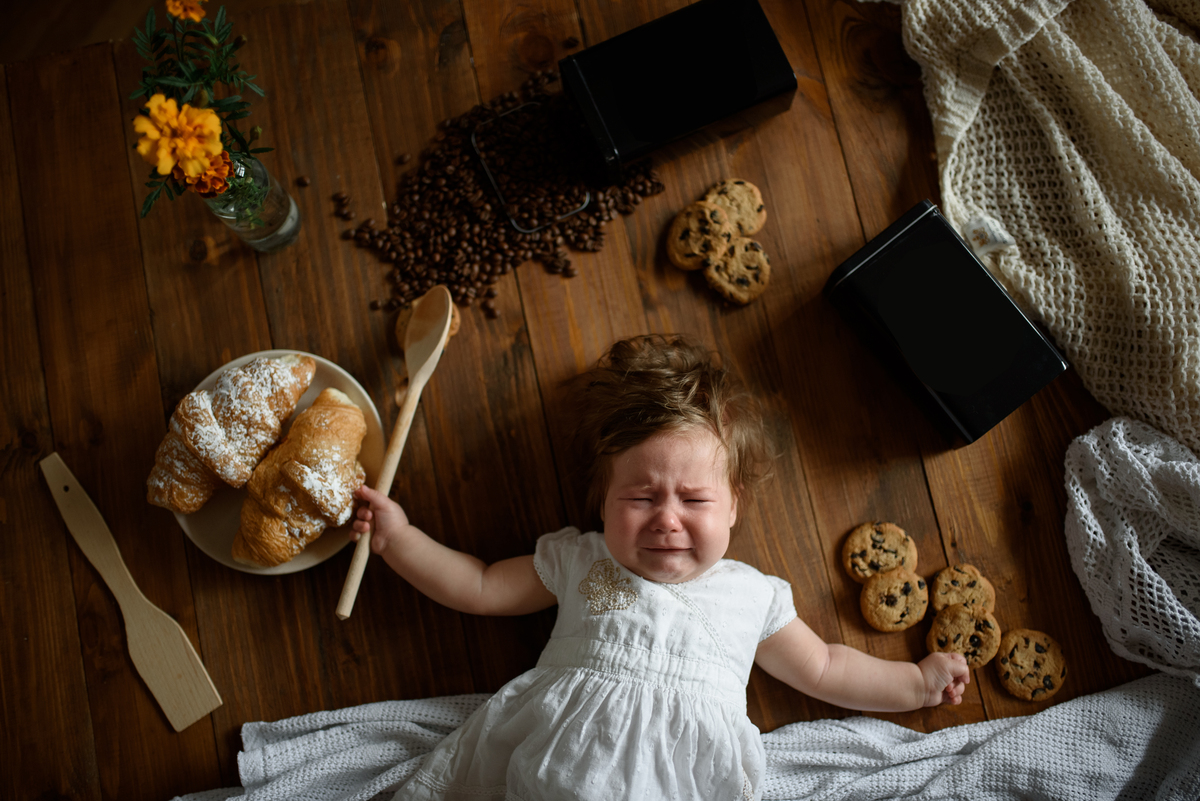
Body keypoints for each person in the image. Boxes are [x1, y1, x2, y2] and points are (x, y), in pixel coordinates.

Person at [351, 334, 969, 801]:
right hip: (555, 767)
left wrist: (913, 684)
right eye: (641, 498)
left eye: (695, 501)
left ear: (733, 509)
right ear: (603, 504)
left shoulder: (751, 596)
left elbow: (827, 667)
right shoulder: (580, 557)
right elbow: (482, 587)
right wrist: (401, 540)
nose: (666, 519)